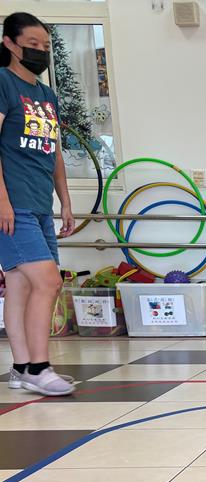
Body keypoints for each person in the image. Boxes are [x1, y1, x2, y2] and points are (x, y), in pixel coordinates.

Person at [0, 12, 76, 396]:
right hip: (13, 205)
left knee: (20, 286)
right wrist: (2, 202)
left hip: (39, 202)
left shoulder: (47, 95)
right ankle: (39, 368)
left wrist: (65, 201)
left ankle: (20, 368)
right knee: (48, 281)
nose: (40, 52)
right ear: (10, 44)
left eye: (45, 46)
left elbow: (54, 152)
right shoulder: (3, 82)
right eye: (32, 45)